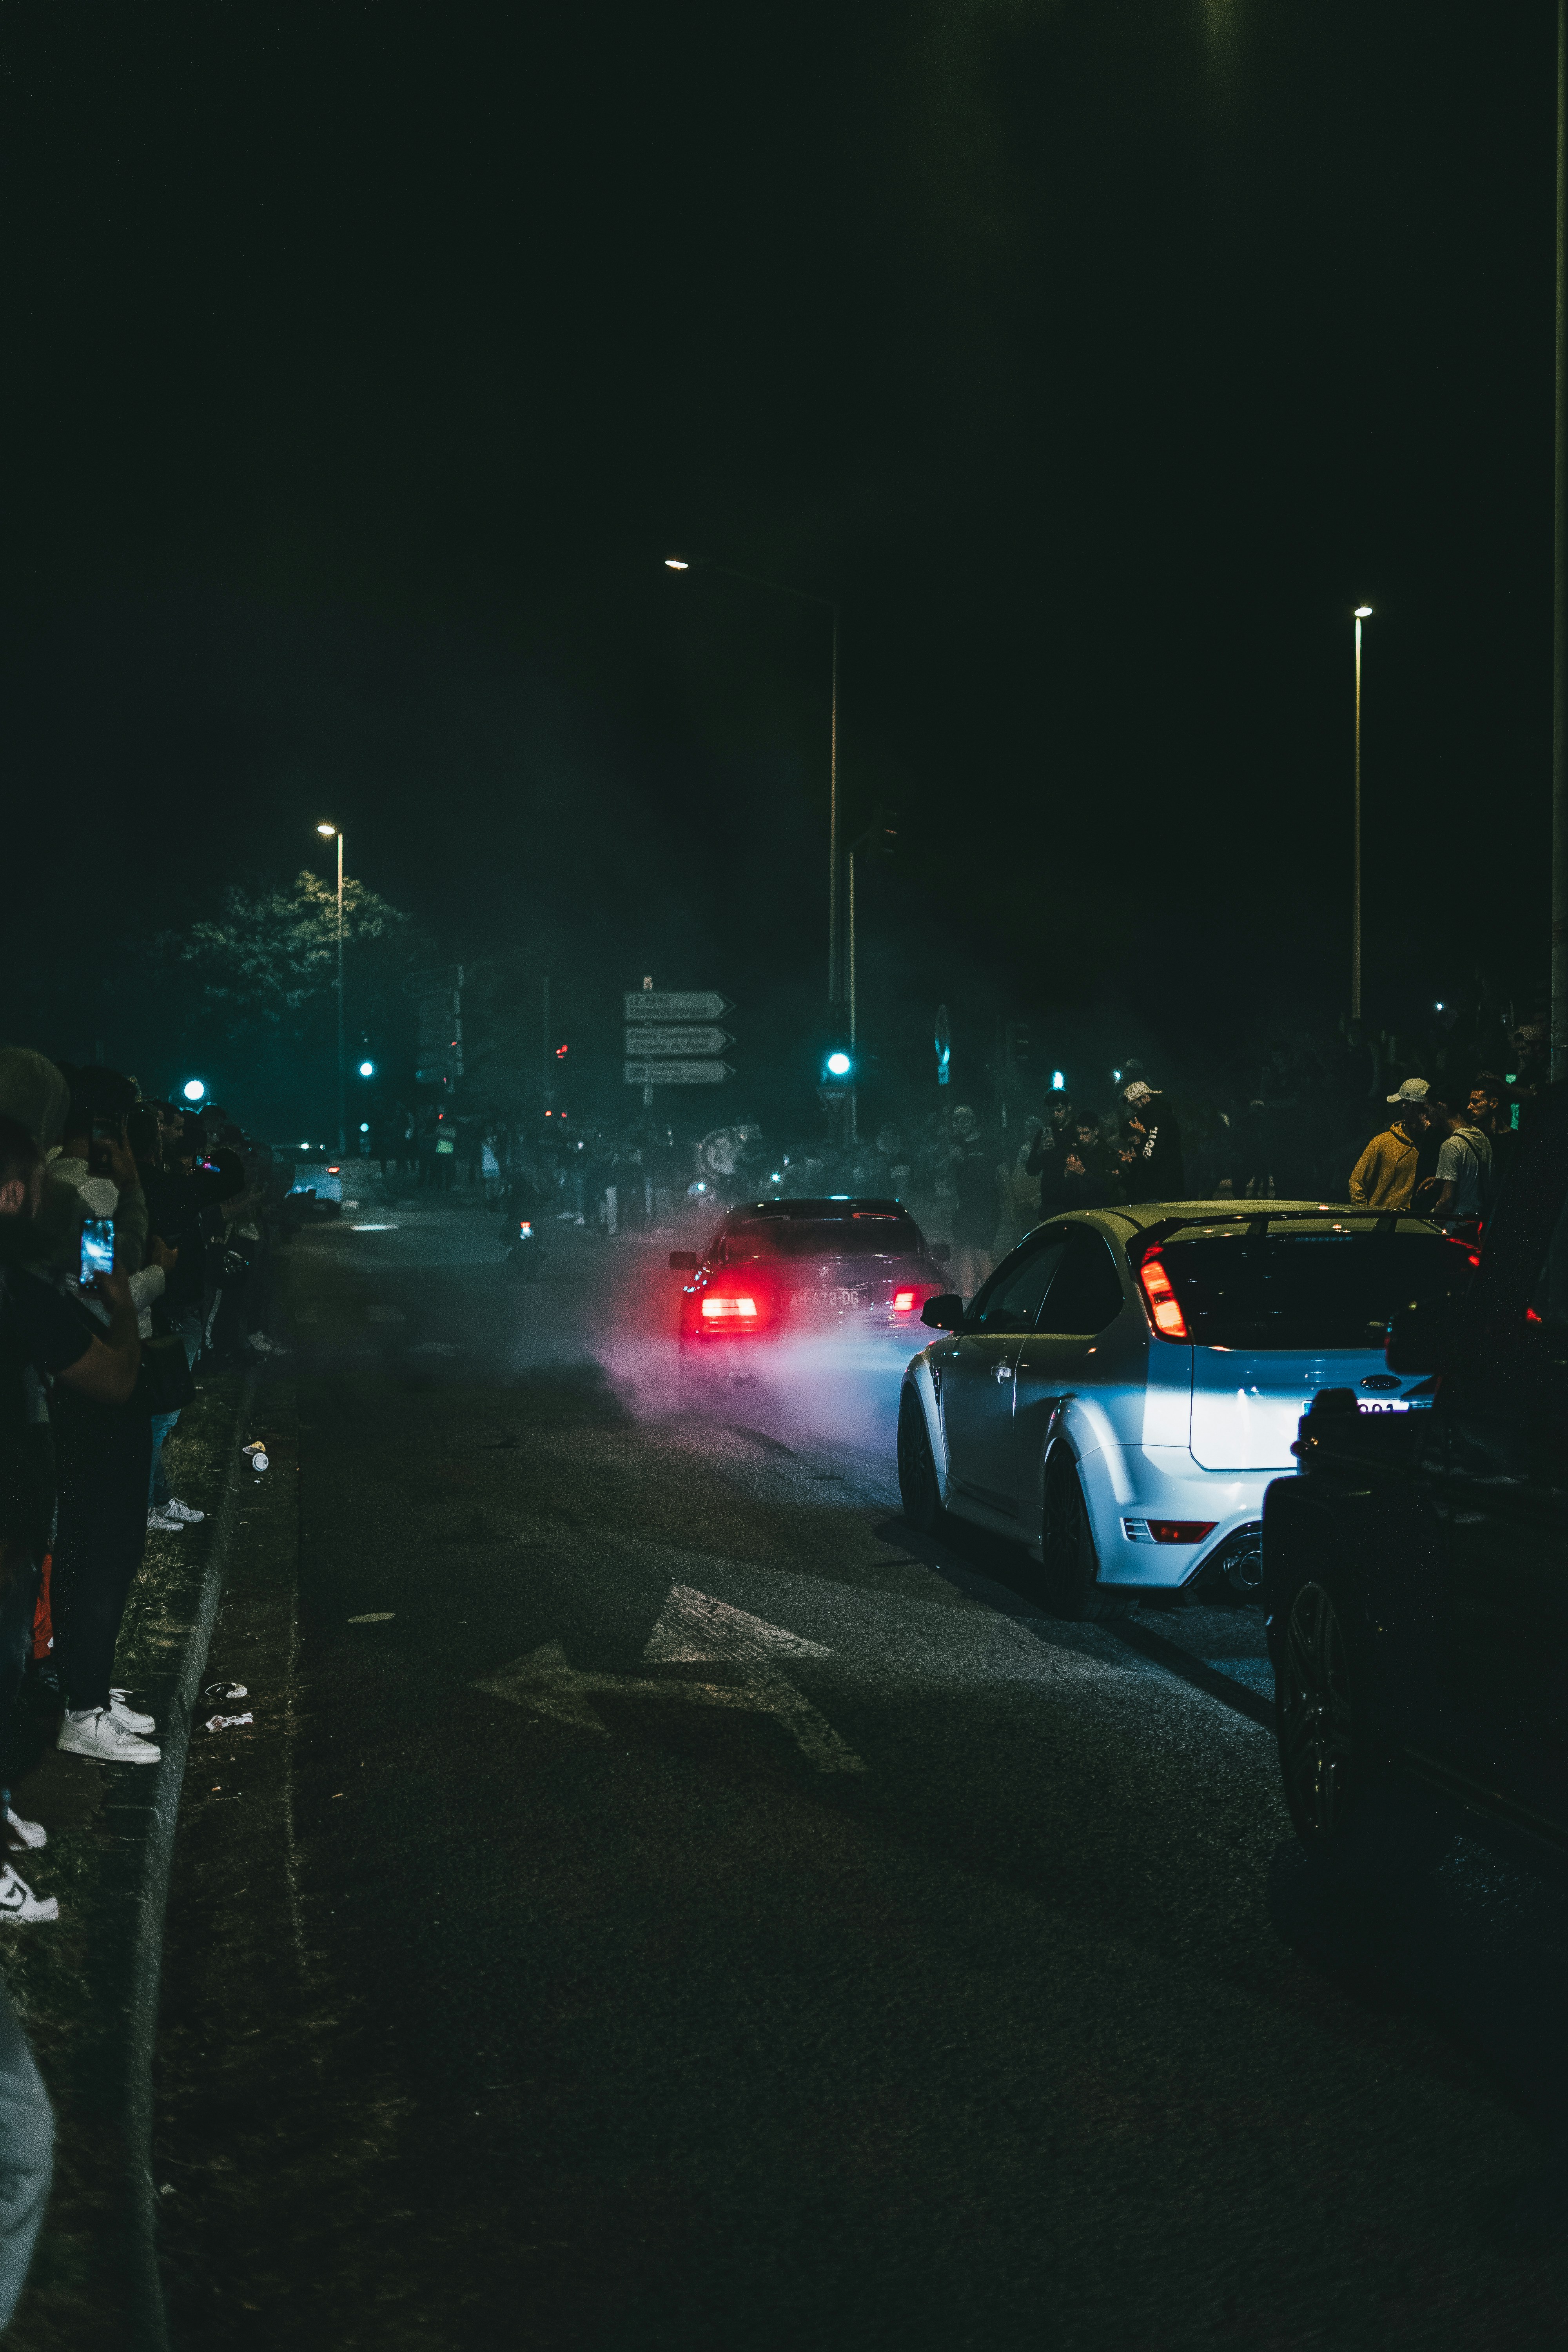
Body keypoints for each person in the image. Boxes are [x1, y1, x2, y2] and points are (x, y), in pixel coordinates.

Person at [1348, 1078, 1432, 1210]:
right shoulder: (1382, 1143)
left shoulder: (1433, 1145)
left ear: (1409, 1106)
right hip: (1382, 1225)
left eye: (1403, 1103)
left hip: (1415, 1226)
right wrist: (1367, 1218)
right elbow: (1357, 1183)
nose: (1401, 1107)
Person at [1418, 1098, 1492, 1227]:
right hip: (1479, 1223)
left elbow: (1447, 1202)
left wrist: (1429, 1228)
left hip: (1457, 1227)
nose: (1426, 1115)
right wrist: (1440, 1180)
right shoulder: (1481, 1137)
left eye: (1428, 1109)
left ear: (1440, 1107)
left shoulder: (1451, 1145)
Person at [949, 1105, 997, 1296]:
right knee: (966, 1251)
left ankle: (990, 1297)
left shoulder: (987, 1144)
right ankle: (969, 1300)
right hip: (964, 1208)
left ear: (974, 1120)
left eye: (965, 1119)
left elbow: (1000, 1175)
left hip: (986, 1207)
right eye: (957, 1120)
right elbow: (948, 1180)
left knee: (983, 1252)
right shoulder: (954, 1147)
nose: (961, 1124)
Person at [1120, 1079, 1186, 1203]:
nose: (1135, 1112)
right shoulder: (1154, 1117)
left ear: (1145, 1098)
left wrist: (1138, 1145)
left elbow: (1150, 1154)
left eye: (1134, 1106)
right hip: (1161, 1188)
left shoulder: (1158, 1118)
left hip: (1162, 1190)